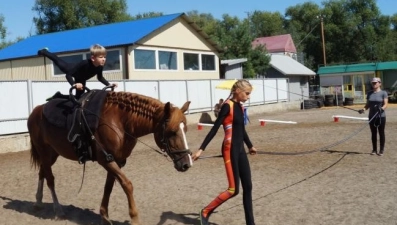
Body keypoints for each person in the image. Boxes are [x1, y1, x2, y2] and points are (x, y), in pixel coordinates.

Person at [192, 79, 257, 225]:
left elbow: (241, 129)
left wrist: (250, 146)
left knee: (248, 187)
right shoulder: (227, 107)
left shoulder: (240, 107)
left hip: (240, 149)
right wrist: (201, 150)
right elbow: (214, 129)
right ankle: (205, 211)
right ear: (238, 91)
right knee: (233, 189)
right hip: (230, 149)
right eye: (247, 93)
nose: (249, 96)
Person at [38, 44, 118, 99]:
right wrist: (74, 84)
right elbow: (68, 75)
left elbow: (100, 77)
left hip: (81, 79)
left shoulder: (100, 67)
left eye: (104, 57)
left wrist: (109, 84)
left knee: (78, 98)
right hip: (70, 69)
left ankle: (58, 96)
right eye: (101, 57)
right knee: (56, 59)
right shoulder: (85, 63)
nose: (104, 59)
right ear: (93, 58)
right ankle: (43, 51)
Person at [358, 77, 388, 156]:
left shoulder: (383, 93)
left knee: (381, 133)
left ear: (379, 83)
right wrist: (363, 109)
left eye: (375, 82)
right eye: (373, 83)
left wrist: (382, 109)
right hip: (371, 116)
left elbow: (385, 104)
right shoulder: (369, 93)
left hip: (381, 116)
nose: (374, 84)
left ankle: (381, 150)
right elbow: (368, 105)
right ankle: (374, 149)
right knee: (373, 133)